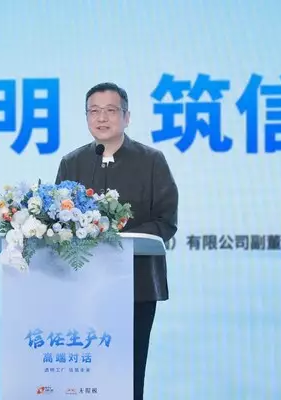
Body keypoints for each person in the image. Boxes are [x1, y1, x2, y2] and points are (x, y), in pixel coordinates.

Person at [55, 82, 179, 400]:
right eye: (94, 111)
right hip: (84, 285)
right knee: (84, 377)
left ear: (127, 117)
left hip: (137, 285)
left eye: (111, 110)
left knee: (128, 376)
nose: (102, 118)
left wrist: (119, 240)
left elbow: (166, 220)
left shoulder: (152, 161)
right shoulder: (72, 162)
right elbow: (58, 220)